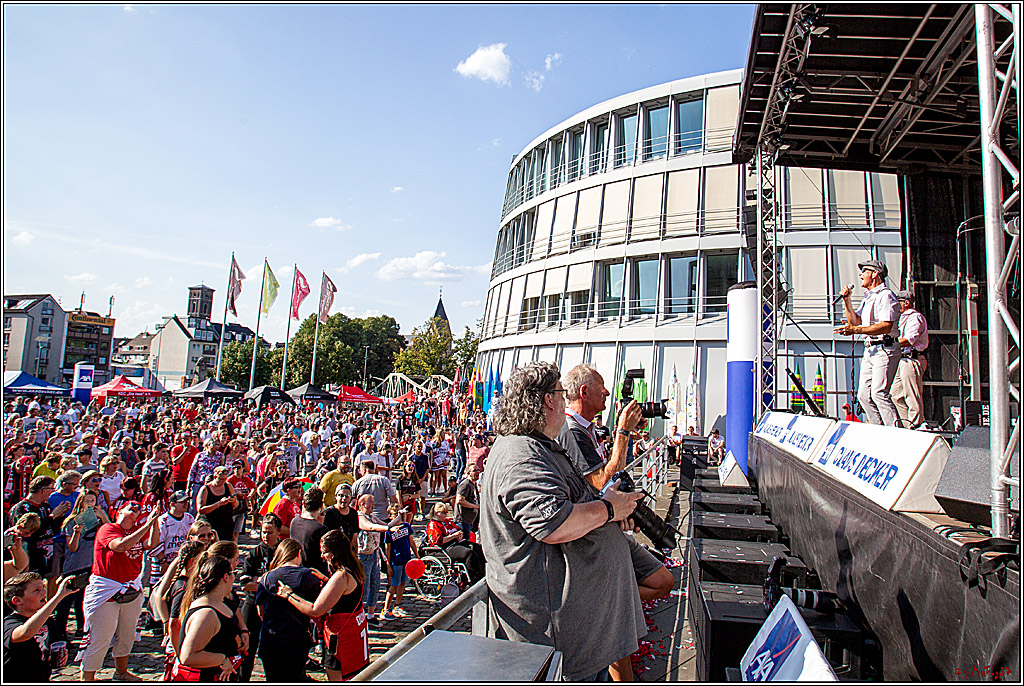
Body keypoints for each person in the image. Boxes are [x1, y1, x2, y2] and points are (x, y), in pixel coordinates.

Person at [478, 362, 645, 681]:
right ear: (547, 400)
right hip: (555, 637)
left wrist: (609, 513)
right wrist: (609, 511)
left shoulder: (540, 446)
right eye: (560, 393)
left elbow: (572, 501)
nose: (566, 399)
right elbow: (553, 524)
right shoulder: (522, 456)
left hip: (576, 630)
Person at [80, 499, 162, 681]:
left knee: (127, 634)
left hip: (131, 587)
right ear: (118, 512)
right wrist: (147, 525)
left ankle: (121, 672)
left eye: (138, 509)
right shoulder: (108, 529)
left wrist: (154, 522)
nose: (136, 510)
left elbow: (152, 543)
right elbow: (120, 546)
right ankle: (88, 678)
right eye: (130, 508)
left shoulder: (136, 531)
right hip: (106, 589)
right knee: (100, 636)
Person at [276, 529, 369, 680]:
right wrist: (327, 581)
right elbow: (346, 594)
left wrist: (289, 595)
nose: (322, 556)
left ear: (335, 552)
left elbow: (315, 610)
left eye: (324, 552)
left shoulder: (341, 576)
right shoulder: (355, 566)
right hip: (355, 633)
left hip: (339, 639)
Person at [835, 258, 903, 427]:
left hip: (884, 348)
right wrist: (847, 300)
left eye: (864, 271)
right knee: (864, 395)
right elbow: (856, 320)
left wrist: (855, 331)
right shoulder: (869, 298)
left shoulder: (885, 296)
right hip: (871, 350)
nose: (860, 275)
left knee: (879, 393)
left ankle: (896, 433)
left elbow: (886, 326)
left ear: (875, 274)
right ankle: (878, 430)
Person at [560, 363, 645, 489]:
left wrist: (626, 429)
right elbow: (604, 484)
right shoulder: (572, 431)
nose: (607, 392)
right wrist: (623, 431)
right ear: (584, 392)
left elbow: (610, 466)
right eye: (601, 387)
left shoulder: (586, 426)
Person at [254, 538, 320, 681]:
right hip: (295, 640)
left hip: (270, 641)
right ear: (298, 554)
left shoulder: (267, 578)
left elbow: (260, 610)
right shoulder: (308, 576)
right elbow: (319, 605)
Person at [175, 555, 242, 681]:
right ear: (226, 577)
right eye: (233, 573)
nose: (234, 578)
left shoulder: (220, 603)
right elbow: (187, 657)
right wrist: (222, 659)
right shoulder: (206, 614)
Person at [4, 572, 80, 681]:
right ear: (17, 600)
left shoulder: (46, 620)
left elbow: (55, 645)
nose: (44, 592)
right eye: (36, 590)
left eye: (43, 587)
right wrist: (58, 597)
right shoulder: (9, 623)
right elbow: (26, 633)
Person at [237, 514, 281, 681]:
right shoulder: (254, 554)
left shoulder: (282, 552)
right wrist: (269, 585)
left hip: (275, 606)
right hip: (252, 602)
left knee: (273, 648)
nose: (265, 536)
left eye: (269, 532)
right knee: (248, 645)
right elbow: (245, 584)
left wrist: (260, 582)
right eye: (263, 532)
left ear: (277, 532)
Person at [891, 290, 930, 429]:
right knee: (895, 394)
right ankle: (907, 423)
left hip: (912, 359)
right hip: (901, 360)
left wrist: (891, 343)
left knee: (911, 394)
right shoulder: (900, 318)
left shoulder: (915, 317)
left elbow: (909, 339)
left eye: (898, 302)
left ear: (906, 303)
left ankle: (916, 424)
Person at [425, 502, 484, 584]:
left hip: (457, 543)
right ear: (436, 513)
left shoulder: (447, 521)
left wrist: (459, 534)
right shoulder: (433, 525)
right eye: (443, 513)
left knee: (478, 548)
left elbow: (457, 529)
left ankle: (482, 574)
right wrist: (453, 536)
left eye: (446, 512)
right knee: (468, 553)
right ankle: (473, 579)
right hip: (446, 548)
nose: (445, 515)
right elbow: (439, 541)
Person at [379, 503, 418, 621]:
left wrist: (417, 556)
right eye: (396, 515)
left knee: (402, 583)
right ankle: (385, 608)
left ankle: (397, 605)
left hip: (406, 559)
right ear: (390, 517)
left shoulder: (406, 526)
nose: (399, 517)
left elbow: (411, 542)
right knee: (393, 585)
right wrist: (388, 565)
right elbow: (388, 549)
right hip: (396, 561)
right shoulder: (389, 531)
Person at [289, 486, 328, 575]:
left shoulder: (294, 522)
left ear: (303, 503)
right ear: (321, 506)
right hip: (315, 574)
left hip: (296, 570)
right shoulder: (320, 529)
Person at [196, 466, 238, 544]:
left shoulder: (228, 486)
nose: (223, 481)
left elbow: (236, 504)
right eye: (221, 479)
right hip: (211, 524)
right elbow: (201, 510)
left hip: (226, 524)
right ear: (215, 477)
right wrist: (219, 504)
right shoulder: (205, 489)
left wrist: (233, 501)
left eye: (225, 479)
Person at [352, 458, 399, 523]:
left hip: (365, 518)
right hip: (382, 516)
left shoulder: (357, 483)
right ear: (374, 469)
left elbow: (352, 502)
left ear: (364, 470)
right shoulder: (384, 480)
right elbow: (393, 499)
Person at [454, 465, 482, 540]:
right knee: (464, 543)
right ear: (469, 473)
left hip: (470, 520)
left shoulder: (474, 484)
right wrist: (475, 506)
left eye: (478, 469)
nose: (478, 472)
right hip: (463, 521)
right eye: (474, 470)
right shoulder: (465, 484)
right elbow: (460, 500)